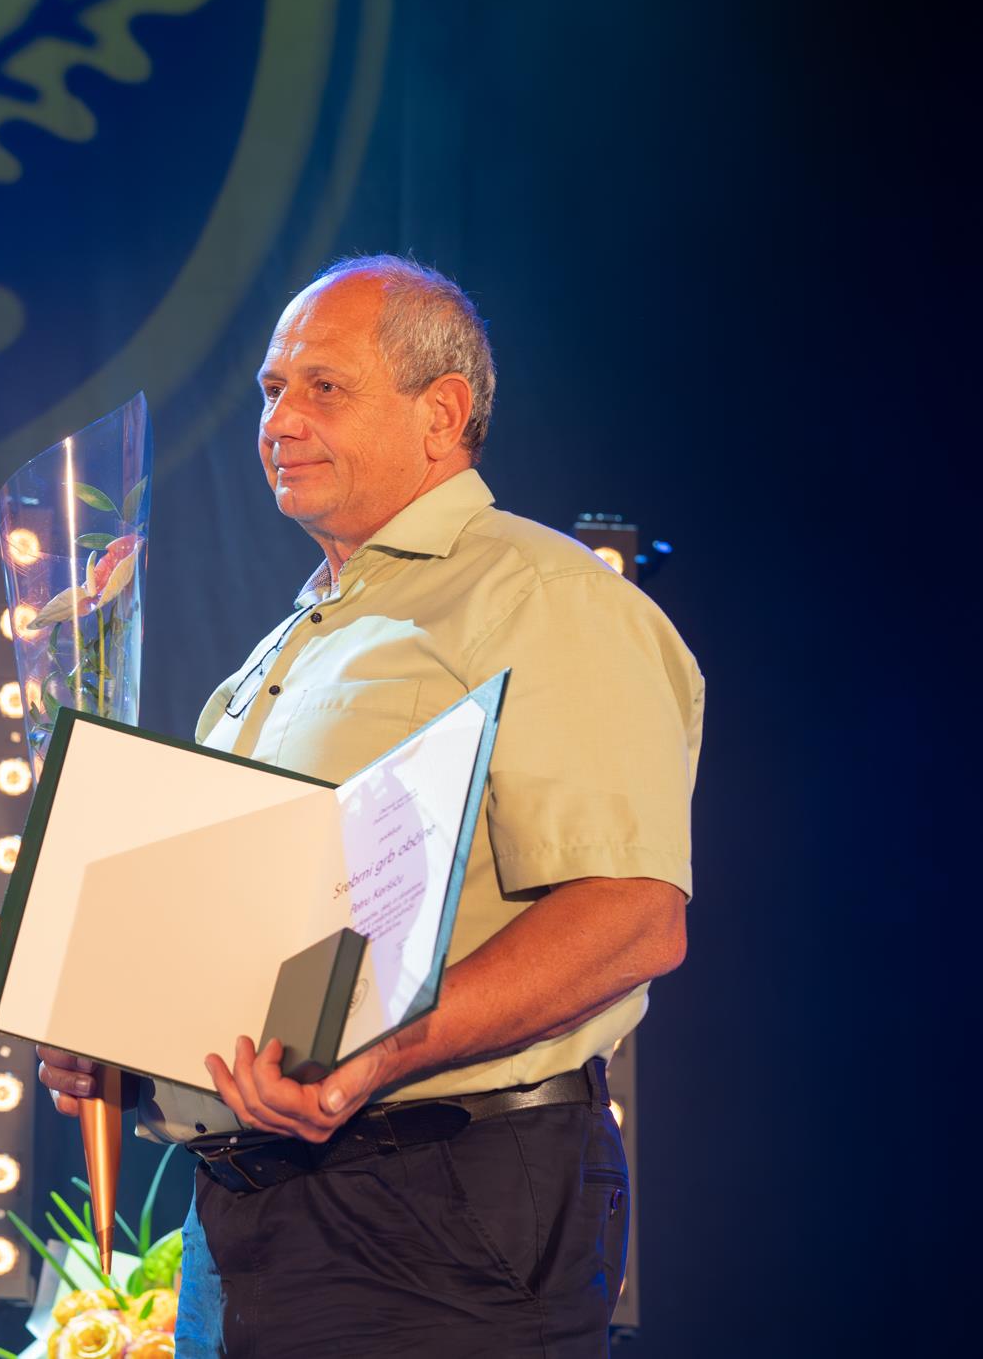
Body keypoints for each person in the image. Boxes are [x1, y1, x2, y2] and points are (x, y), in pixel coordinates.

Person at [39, 255, 702, 1356]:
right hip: (247, 1212)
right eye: (270, 390)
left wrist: (380, 1052)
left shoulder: (539, 595)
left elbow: (633, 915)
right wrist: (123, 1034)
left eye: (324, 387)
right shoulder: (284, 649)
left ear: (440, 414)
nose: (279, 420)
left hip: (437, 1201)